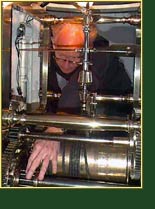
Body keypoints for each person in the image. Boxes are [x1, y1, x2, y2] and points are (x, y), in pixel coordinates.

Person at [26, 20, 132, 180]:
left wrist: (55, 130)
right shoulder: (42, 50)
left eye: (75, 59)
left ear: (88, 48)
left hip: (112, 123)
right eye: (61, 57)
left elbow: (75, 88)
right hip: (71, 118)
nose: (67, 65)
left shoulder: (101, 55)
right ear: (53, 43)